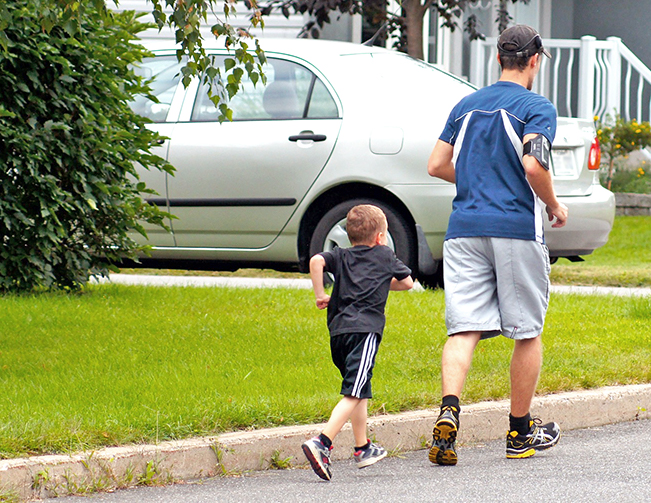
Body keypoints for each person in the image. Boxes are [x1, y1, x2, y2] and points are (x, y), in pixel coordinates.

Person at [426, 24, 568, 465]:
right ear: (534, 61)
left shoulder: (466, 105)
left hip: (464, 229)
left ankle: (449, 412)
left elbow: (436, 164)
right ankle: (519, 433)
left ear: (498, 59)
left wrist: (477, 178)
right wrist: (554, 204)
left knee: (464, 328)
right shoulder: (536, 107)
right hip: (514, 230)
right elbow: (533, 164)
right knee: (527, 330)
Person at [301, 204, 414, 481]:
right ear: (379, 237)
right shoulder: (385, 256)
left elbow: (316, 261)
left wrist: (319, 294)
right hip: (365, 332)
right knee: (353, 391)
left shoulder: (340, 255)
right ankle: (322, 442)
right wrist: (380, 281)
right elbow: (407, 283)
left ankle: (363, 448)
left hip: (338, 332)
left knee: (360, 387)